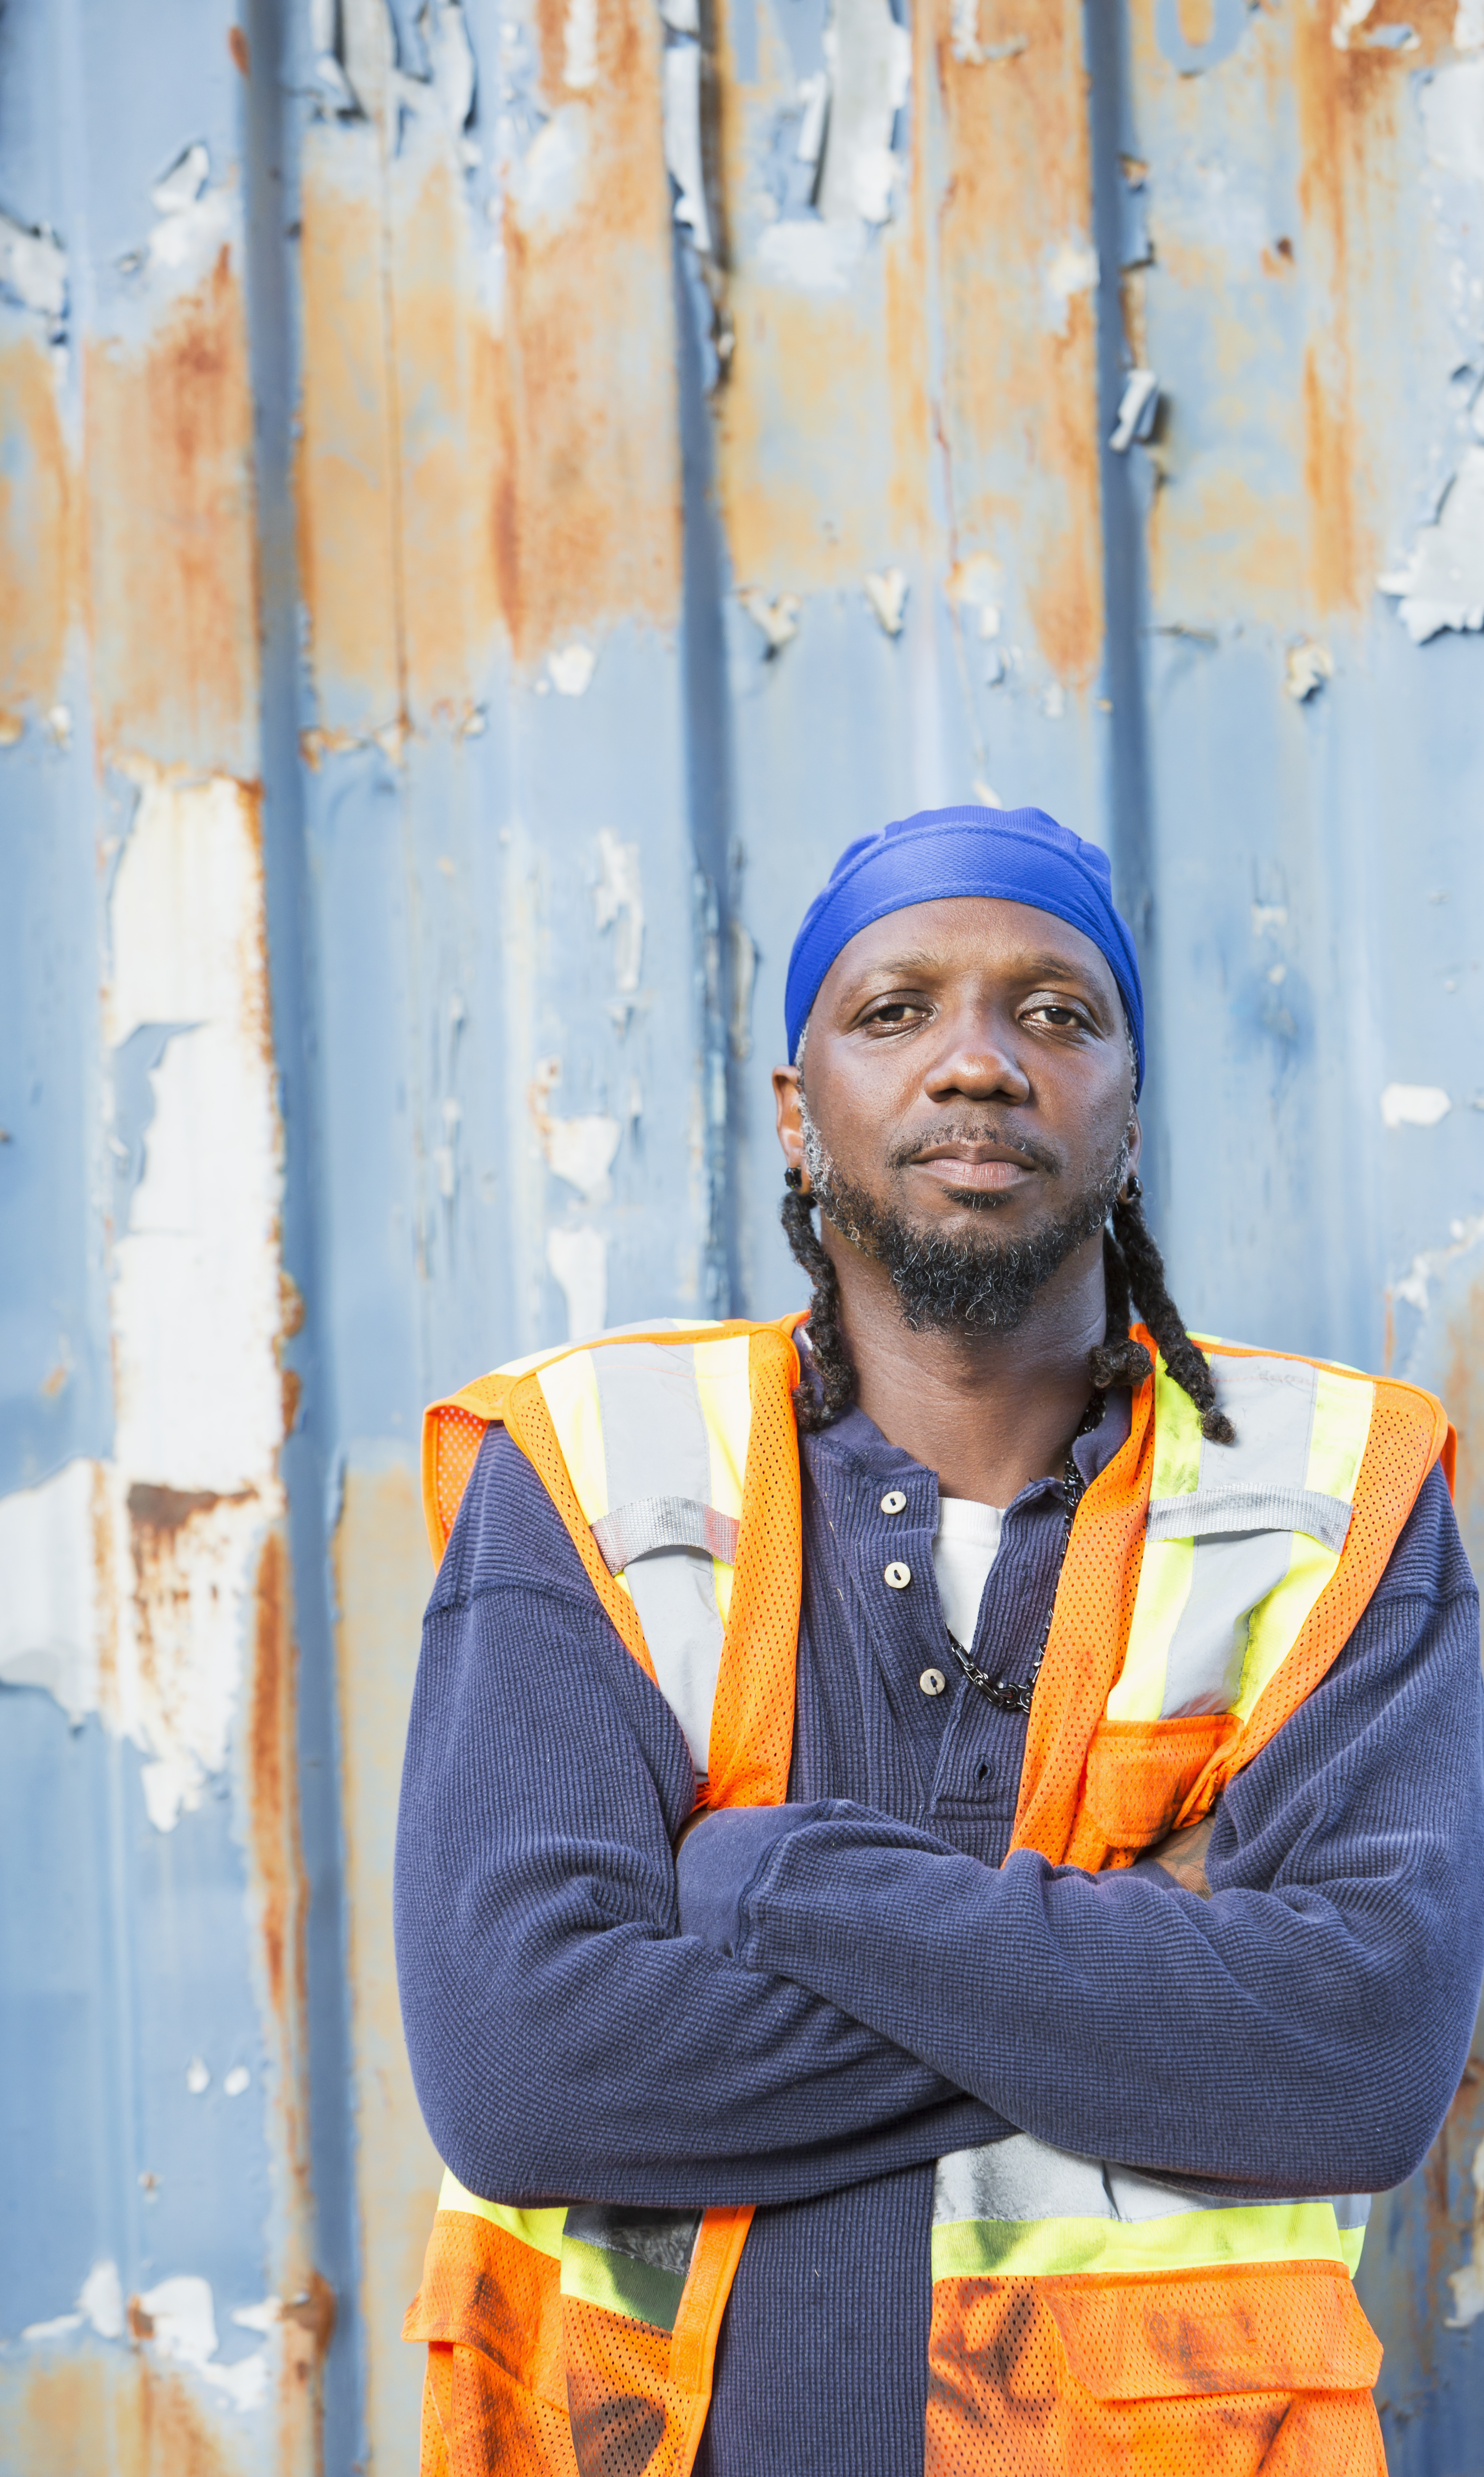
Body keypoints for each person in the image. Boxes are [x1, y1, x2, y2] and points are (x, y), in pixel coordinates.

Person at [396, 805, 1484, 2477]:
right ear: (797, 1110)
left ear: (1129, 1113)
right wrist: (1151, 1959)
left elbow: (1357, 2060)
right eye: (896, 1009)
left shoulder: (1332, 1494)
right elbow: (527, 2075)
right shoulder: (597, 1465)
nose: (978, 1062)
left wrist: (760, 1884)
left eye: (1056, 1011)